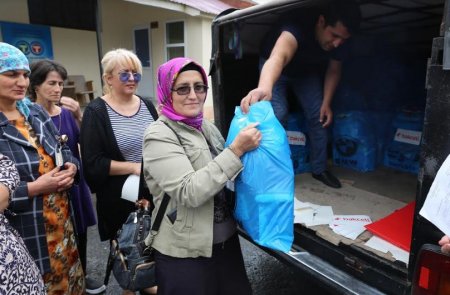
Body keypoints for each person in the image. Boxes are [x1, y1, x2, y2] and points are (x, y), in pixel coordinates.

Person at [142, 57, 261, 295]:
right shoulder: (158, 135)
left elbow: (228, 172)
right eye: (183, 88)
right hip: (186, 255)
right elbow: (189, 192)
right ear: (167, 92)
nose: (193, 95)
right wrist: (236, 149)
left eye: (199, 87)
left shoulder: (206, 127)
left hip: (226, 245)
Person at [240, 0, 361, 189]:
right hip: (277, 67)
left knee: (319, 116)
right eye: (334, 35)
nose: (337, 43)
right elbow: (278, 58)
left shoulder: (340, 41)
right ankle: (272, 173)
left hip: (305, 71)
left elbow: (334, 70)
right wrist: (264, 88)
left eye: (343, 39)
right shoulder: (296, 26)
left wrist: (326, 103)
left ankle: (319, 169)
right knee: (278, 114)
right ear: (321, 22)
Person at [0, 42, 85, 293]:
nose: (22, 82)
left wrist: (71, 167)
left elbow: (64, 150)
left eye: (25, 75)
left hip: (62, 227)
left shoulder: (34, 112)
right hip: (27, 233)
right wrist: (34, 188)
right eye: (11, 74)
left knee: (70, 285)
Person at [80, 48, 158, 295]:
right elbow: (92, 163)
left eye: (136, 74)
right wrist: (134, 167)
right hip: (119, 199)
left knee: (153, 250)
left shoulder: (146, 105)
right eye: (125, 75)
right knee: (128, 255)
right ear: (108, 79)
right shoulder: (96, 112)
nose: (132, 79)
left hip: (151, 192)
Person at [28, 59, 105, 295]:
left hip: (75, 181)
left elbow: (83, 143)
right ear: (36, 85)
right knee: (53, 242)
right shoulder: (30, 116)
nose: (58, 89)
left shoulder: (67, 113)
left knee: (80, 233)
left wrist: (80, 114)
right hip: (50, 187)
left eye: (60, 83)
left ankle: (80, 277)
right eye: (51, 83)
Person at [0, 153, 46, 295]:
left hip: (20, 271)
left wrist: (72, 165)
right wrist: (35, 187)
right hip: (27, 224)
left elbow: (5, 167)